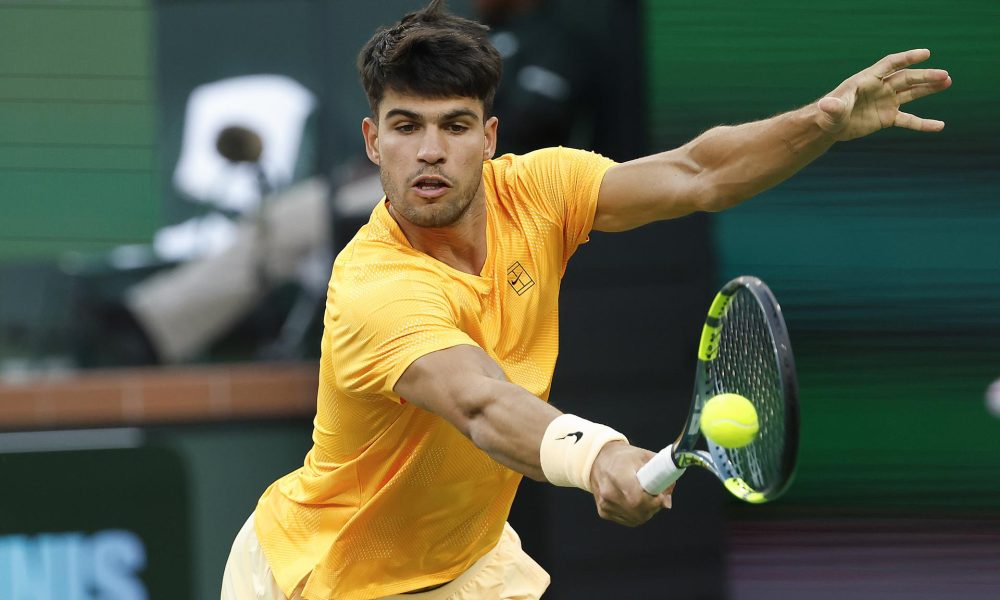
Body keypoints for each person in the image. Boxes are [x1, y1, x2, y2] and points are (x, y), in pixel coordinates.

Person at [221, 1, 951, 598]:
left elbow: (698, 172)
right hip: (324, 579)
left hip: (468, 564)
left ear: (489, 137)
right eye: (407, 128)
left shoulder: (539, 189)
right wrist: (599, 457)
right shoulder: (374, 286)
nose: (431, 151)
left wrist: (818, 123)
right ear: (373, 143)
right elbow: (481, 403)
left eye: (455, 126)